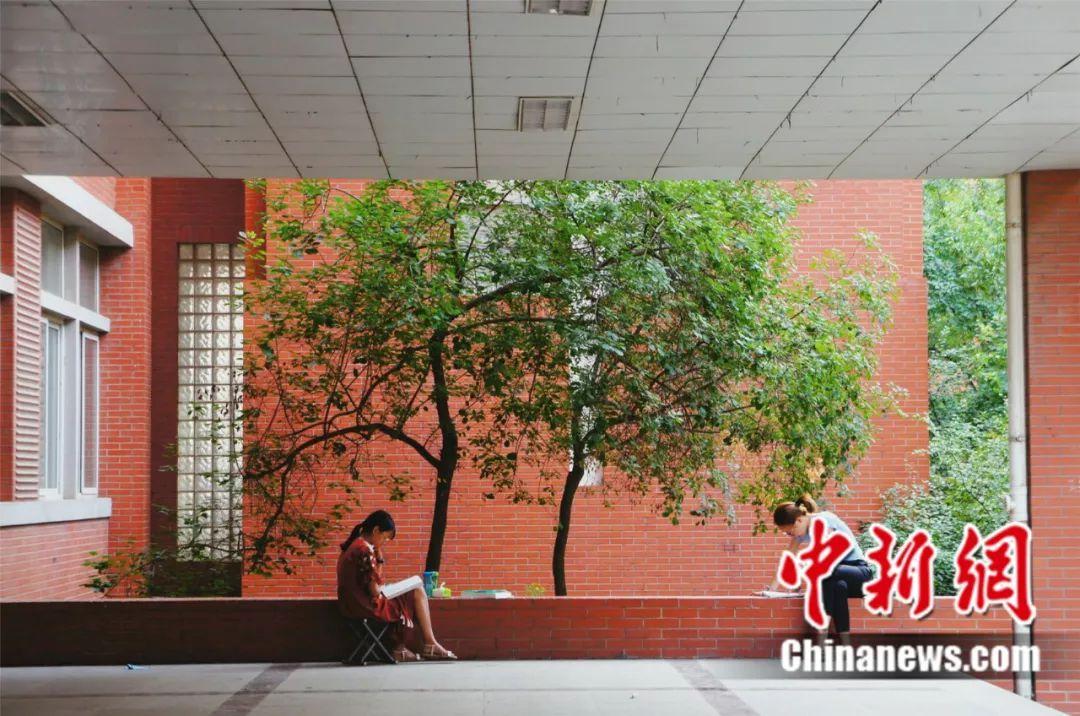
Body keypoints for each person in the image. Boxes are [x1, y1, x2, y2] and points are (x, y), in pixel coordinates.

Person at [337, 510, 457, 661]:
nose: (384, 542)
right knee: (416, 592)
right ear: (376, 530)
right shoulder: (364, 549)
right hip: (365, 606)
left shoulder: (352, 546)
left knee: (413, 591)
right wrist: (382, 570)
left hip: (350, 605)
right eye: (384, 537)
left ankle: (405, 648)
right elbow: (375, 591)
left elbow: (370, 583)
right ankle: (426, 644)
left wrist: (380, 563)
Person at [764, 494, 873, 646]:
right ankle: (845, 644)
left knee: (823, 573)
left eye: (789, 532)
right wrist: (770, 591)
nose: (790, 535)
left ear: (799, 520)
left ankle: (821, 640)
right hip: (838, 579)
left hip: (860, 574)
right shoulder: (800, 534)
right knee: (837, 587)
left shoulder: (823, 520)